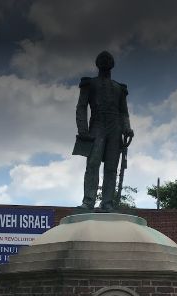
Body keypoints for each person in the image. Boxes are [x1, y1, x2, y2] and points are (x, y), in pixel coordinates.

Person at [73, 51, 134, 211]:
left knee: (111, 168)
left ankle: (107, 203)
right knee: (93, 164)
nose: (106, 62)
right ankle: (88, 201)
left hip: (115, 128)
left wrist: (127, 127)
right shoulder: (89, 84)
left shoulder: (119, 88)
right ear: (98, 64)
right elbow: (81, 107)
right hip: (97, 125)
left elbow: (123, 112)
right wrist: (83, 129)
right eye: (103, 60)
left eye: (108, 61)